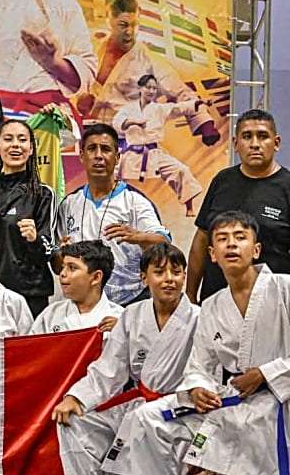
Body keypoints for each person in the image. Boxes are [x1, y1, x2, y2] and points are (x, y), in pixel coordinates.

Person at [127, 212, 290, 475]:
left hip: (280, 409)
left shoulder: (285, 288)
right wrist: (197, 388)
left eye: (240, 237)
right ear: (212, 254)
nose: (232, 244)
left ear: (256, 249)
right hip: (232, 402)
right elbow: (199, 365)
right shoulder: (213, 305)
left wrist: (266, 373)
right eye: (222, 238)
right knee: (149, 417)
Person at [52, 243, 210, 475]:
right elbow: (109, 369)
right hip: (140, 402)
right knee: (74, 419)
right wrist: (76, 398)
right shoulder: (132, 315)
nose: (169, 279)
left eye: (176, 272)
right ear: (144, 278)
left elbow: (205, 372)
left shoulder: (199, 318)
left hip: (183, 409)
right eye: (159, 272)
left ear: (185, 276)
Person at [55, 124, 168, 305]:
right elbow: (57, 264)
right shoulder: (69, 204)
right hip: (82, 303)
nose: (98, 155)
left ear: (117, 157)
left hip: (130, 301)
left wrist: (138, 237)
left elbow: (164, 244)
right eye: (92, 149)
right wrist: (60, 253)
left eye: (106, 149)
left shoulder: (134, 201)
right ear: (82, 156)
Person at [187, 109, 290, 303]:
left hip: (272, 304)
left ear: (276, 143)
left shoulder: (287, 187)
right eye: (247, 136)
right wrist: (190, 294)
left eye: (262, 136)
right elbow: (202, 238)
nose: (255, 144)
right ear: (235, 144)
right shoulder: (222, 180)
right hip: (215, 299)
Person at [0, 119, 56, 316]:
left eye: (22, 139)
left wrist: (34, 239)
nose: (15, 145)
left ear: (31, 149)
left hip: (30, 293)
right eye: (8, 139)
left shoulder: (43, 194)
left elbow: (49, 250)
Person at [77, 0, 203, 127]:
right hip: (90, 129)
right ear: (110, 22)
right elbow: (73, 84)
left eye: (134, 25)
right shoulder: (93, 48)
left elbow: (181, 92)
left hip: (127, 133)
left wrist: (203, 121)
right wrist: (82, 97)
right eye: (123, 25)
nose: (129, 32)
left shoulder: (148, 61)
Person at [113, 74, 204, 217]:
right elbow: (117, 122)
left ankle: (189, 207)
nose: (151, 91)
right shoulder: (128, 109)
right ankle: (112, 206)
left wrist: (197, 103)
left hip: (154, 152)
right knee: (113, 176)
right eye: (148, 87)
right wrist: (132, 122)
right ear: (140, 88)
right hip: (132, 153)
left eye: (154, 88)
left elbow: (177, 108)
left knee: (181, 170)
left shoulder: (159, 109)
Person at [30, 239, 122, 334]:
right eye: (63, 267)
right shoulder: (50, 315)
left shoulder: (121, 319)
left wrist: (121, 333)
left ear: (96, 277)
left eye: (72, 268)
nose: (62, 273)